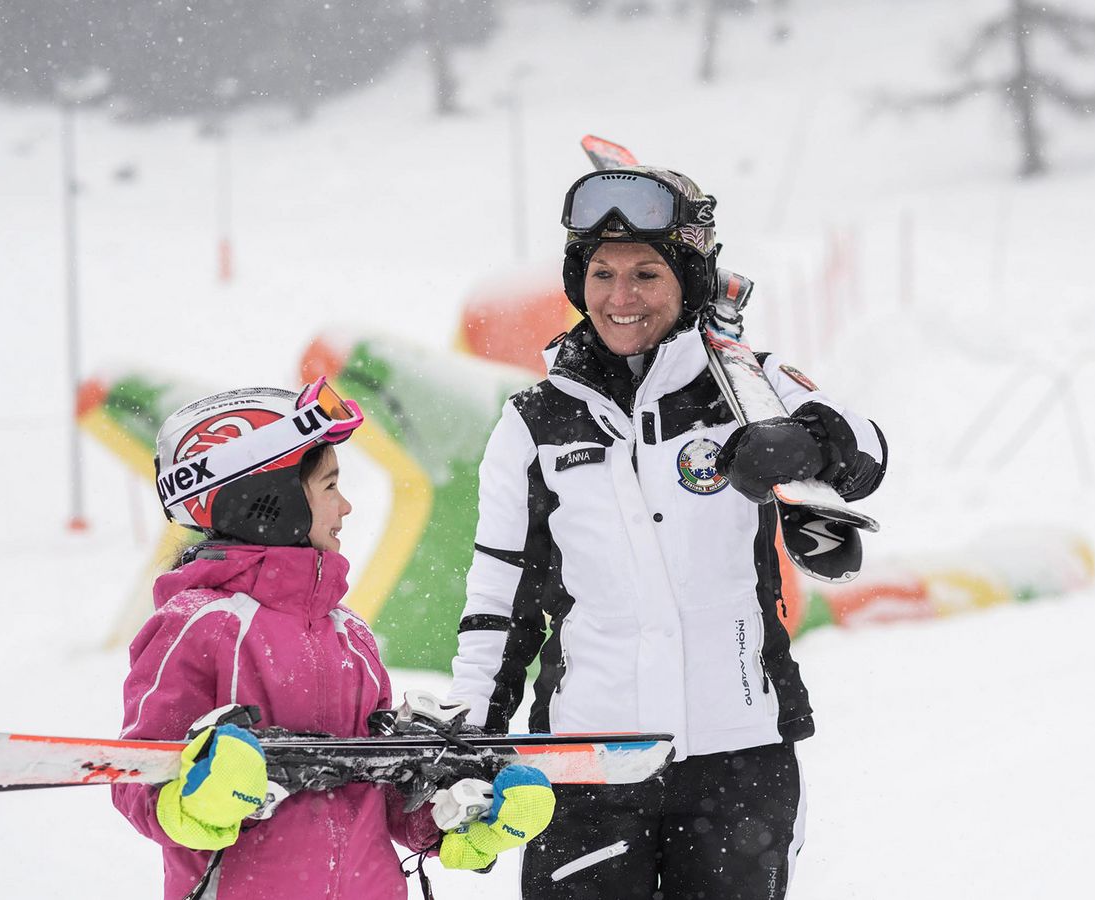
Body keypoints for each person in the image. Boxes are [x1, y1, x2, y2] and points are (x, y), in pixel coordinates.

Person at [446, 166, 888, 899]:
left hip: (738, 758)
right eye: (602, 273)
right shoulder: (535, 422)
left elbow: (865, 450)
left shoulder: (749, 384)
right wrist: (471, 740)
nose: (620, 298)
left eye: (646, 273)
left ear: (688, 277)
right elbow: (501, 598)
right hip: (586, 762)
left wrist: (805, 446)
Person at [113, 378, 555, 900]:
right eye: (328, 487)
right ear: (267, 500)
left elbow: (386, 796)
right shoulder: (198, 626)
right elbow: (138, 780)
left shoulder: (351, 636)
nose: (345, 506)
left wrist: (452, 815)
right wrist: (198, 801)